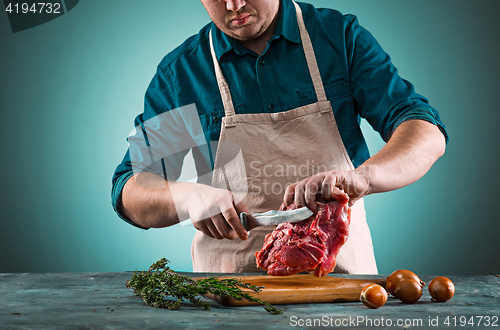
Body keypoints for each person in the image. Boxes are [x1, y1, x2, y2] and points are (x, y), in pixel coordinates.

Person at [111, 0, 447, 274]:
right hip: (229, 297)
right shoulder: (181, 73)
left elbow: (423, 129)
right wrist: (186, 199)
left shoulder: (339, 38)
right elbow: (131, 188)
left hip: (340, 284)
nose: (234, 4)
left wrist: (364, 177)